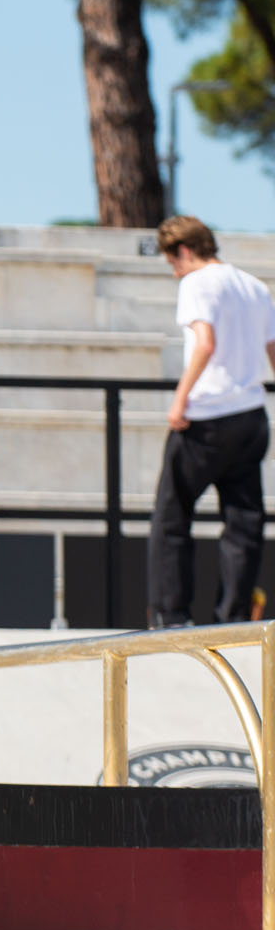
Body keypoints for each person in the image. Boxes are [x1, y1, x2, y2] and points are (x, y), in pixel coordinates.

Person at [147, 215, 275, 628]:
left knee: (171, 516)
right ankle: (234, 617)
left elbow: (205, 342)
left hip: (206, 419)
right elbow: (272, 350)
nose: (173, 271)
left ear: (183, 251)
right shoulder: (254, 286)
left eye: (172, 262)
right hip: (251, 417)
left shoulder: (197, 283)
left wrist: (179, 402)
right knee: (244, 521)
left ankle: (172, 615)